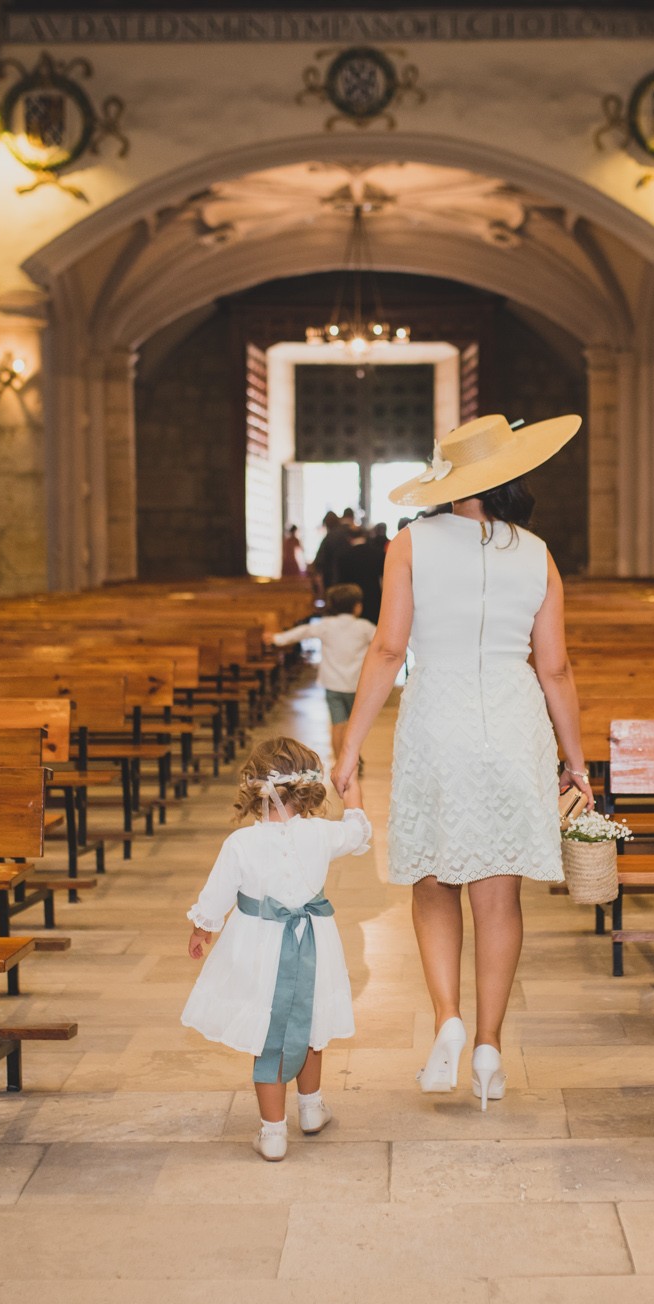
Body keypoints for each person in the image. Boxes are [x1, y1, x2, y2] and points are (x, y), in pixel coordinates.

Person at [332, 414, 593, 1111]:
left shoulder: (411, 544)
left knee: (431, 876)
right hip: (513, 719)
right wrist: (577, 763)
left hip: (437, 715)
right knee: (497, 894)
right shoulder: (537, 553)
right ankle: (487, 1043)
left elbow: (387, 651)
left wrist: (350, 744)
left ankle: (446, 1016)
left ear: (450, 480)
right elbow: (556, 667)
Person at [182, 737, 369, 1162]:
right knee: (311, 1026)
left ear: (252, 788)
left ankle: (272, 1132)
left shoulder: (240, 844)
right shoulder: (322, 834)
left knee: (269, 1035)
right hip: (314, 943)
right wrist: (351, 787)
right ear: (308, 788)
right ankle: (311, 1109)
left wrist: (202, 930)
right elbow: (358, 831)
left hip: (258, 947)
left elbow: (215, 897)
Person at [270, 583, 376, 763]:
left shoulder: (326, 625)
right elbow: (384, 643)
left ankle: (340, 764)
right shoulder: (364, 627)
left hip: (332, 684)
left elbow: (302, 632)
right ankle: (352, 758)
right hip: (356, 685)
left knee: (337, 725)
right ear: (357, 607)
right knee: (354, 726)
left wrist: (276, 638)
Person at [335, 523, 386, 627]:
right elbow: (383, 580)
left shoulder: (343, 556)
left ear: (349, 538)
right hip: (374, 598)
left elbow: (340, 583)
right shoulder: (378, 553)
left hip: (352, 600)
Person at [311, 511, 350, 590]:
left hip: (332, 578)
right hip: (349, 578)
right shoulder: (347, 533)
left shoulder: (329, 538)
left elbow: (320, 560)